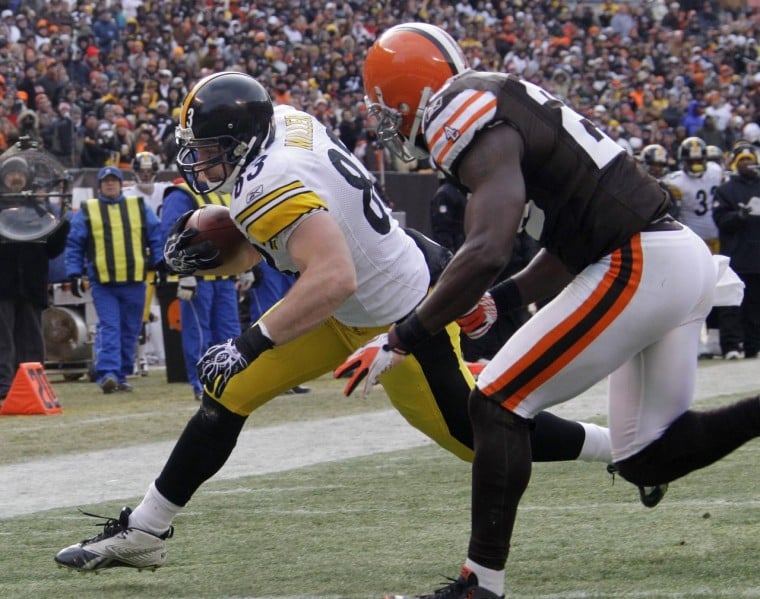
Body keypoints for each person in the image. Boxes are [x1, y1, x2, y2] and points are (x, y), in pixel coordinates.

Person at [54, 71, 618, 573]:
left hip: (402, 312)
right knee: (228, 394)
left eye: (210, 148)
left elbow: (333, 276)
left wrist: (249, 342)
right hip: (359, 293)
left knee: (474, 436)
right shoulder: (289, 122)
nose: (200, 159)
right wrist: (235, 233)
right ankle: (145, 530)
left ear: (243, 141)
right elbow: (314, 230)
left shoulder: (265, 184)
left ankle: (617, 447)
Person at [337, 24, 760, 598]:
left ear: (411, 95)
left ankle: (480, 584)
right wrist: (502, 299)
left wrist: (401, 337)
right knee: (646, 458)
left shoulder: (459, 114)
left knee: (497, 402)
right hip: (666, 256)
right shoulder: (498, 104)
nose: (384, 121)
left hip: (639, 261)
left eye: (385, 107)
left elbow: (486, 247)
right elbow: (565, 244)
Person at [64, 165, 164, 393]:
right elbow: (75, 244)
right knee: (110, 327)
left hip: (135, 281)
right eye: (105, 181)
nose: (110, 184)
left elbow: (156, 236)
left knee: (130, 330)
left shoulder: (138, 206)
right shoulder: (89, 209)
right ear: (99, 186)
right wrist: (74, 273)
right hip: (103, 283)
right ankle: (107, 374)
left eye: (113, 180)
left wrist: (160, 264)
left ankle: (121, 374)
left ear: (121, 184)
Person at [159, 174, 253, 402]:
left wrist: (245, 266)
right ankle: (202, 384)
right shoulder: (182, 193)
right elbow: (171, 235)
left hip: (224, 276)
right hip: (198, 278)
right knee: (199, 333)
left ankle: (230, 381)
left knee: (230, 333)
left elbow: (238, 232)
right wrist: (183, 273)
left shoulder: (224, 190)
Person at [0, 154, 70, 404]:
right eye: (11, 174)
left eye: (20, 174)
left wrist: (62, 226)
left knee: (32, 339)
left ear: (27, 178)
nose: (16, 178)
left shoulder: (39, 210)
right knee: (3, 339)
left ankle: (34, 385)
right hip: (3, 285)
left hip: (31, 284)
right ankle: (4, 387)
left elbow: (52, 249)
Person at [662, 137, 732, 358]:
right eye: (691, 160)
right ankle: (696, 339)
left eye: (699, 159)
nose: (696, 164)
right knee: (694, 292)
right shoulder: (676, 181)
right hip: (693, 243)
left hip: (718, 237)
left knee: (719, 288)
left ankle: (714, 336)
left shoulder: (715, 171)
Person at [713, 143, 760, 360]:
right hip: (736, 253)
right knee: (731, 302)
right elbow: (720, 220)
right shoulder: (725, 190)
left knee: (755, 304)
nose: (748, 164)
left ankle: (753, 345)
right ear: (734, 163)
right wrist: (738, 216)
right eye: (743, 160)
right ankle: (730, 345)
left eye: (750, 160)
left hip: (757, 255)